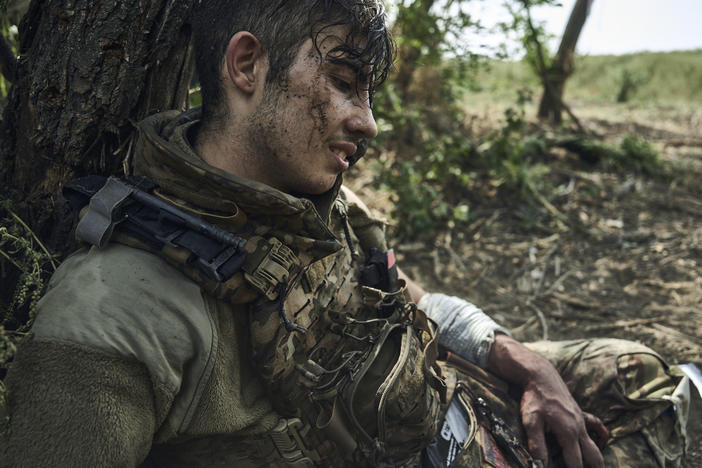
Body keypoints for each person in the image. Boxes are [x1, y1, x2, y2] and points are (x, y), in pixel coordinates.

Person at [1, 1, 690, 467]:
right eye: (343, 81)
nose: (368, 122)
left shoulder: (323, 208)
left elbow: (416, 302)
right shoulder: (116, 310)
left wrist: (525, 363)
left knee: (647, 374)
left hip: (463, 398)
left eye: (368, 93)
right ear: (246, 66)